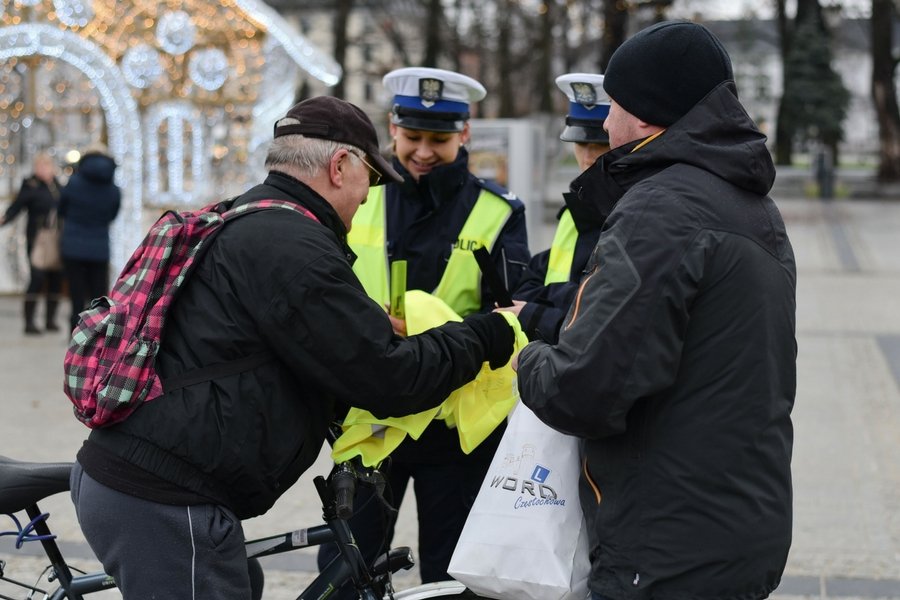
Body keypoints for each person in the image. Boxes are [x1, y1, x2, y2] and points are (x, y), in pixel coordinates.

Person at [68, 95, 517, 600]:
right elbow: (391, 380)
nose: (369, 196)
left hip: (153, 484)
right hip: (163, 499)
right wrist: (488, 334)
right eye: (370, 176)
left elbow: (298, 337)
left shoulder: (254, 217)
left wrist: (378, 330)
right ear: (339, 164)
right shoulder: (292, 246)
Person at [512, 21, 797, 600]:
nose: (607, 121)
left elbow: (583, 388)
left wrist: (529, 357)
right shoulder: (745, 199)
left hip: (666, 543)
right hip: (734, 525)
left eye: (614, 105)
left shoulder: (662, 209)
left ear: (642, 115)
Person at [317, 67, 531, 591]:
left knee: (451, 577)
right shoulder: (356, 196)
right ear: (392, 129)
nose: (423, 152)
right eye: (413, 137)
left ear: (465, 134)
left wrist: (423, 325)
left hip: (454, 427)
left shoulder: (498, 212)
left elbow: (515, 318)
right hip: (369, 418)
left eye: (439, 139)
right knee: (345, 572)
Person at [510, 72, 613, 343]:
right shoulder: (574, 211)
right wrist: (564, 296)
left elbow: (607, 311)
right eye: (581, 143)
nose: (588, 157)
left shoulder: (640, 209)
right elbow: (526, 287)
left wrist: (543, 305)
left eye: (602, 144)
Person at [59, 144, 121, 331]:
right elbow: (112, 215)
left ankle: (74, 335)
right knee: (98, 296)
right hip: (99, 246)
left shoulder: (74, 182)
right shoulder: (113, 189)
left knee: (76, 295)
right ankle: (96, 336)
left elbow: (61, 209)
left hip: (72, 245)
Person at [0, 152, 64, 335]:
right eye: (39, 166)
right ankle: (29, 321)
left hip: (57, 238)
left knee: (56, 278)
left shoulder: (58, 187)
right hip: (37, 240)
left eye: (45, 166)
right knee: (37, 277)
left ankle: (50, 319)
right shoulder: (30, 186)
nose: (42, 170)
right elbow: (17, 206)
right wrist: (5, 219)